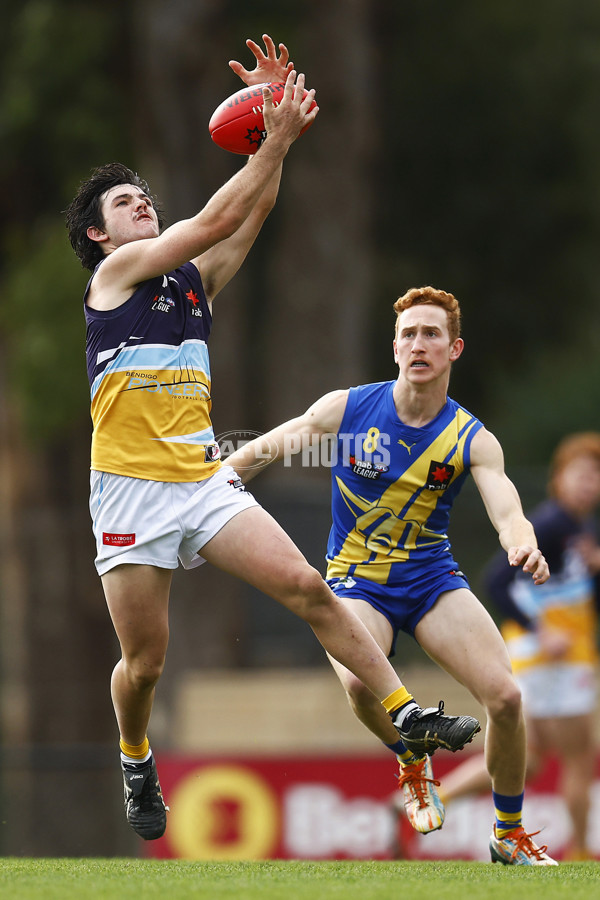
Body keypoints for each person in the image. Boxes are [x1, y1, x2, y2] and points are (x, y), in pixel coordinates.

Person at [65, 39, 479, 843]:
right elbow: (215, 216)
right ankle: (135, 751)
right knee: (145, 664)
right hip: (129, 492)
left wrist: (267, 140)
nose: (140, 203)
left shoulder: (191, 284)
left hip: (201, 478)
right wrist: (278, 136)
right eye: (123, 203)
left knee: (311, 589)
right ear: (98, 239)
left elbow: (246, 214)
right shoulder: (111, 283)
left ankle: (406, 714)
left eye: (143, 194)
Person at [226, 285, 558, 866]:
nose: (418, 344)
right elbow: (268, 449)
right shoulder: (349, 410)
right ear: (394, 347)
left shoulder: (472, 439)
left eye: (431, 334)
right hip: (355, 582)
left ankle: (509, 836)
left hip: (432, 582)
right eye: (408, 334)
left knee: (506, 698)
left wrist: (522, 545)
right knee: (359, 684)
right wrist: (209, 487)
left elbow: (506, 509)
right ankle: (411, 758)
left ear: (455, 349)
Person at [438, 432, 600, 861]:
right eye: (581, 474)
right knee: (579, 757)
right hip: (554, 658)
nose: (590, 483)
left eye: (596, 476)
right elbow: (497, 580)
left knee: (527, 760)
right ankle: (582, 851)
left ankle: (437, 799)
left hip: (550, 658)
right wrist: (539, 629)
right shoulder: (550, 523)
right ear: (559, 478)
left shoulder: (582, 529)